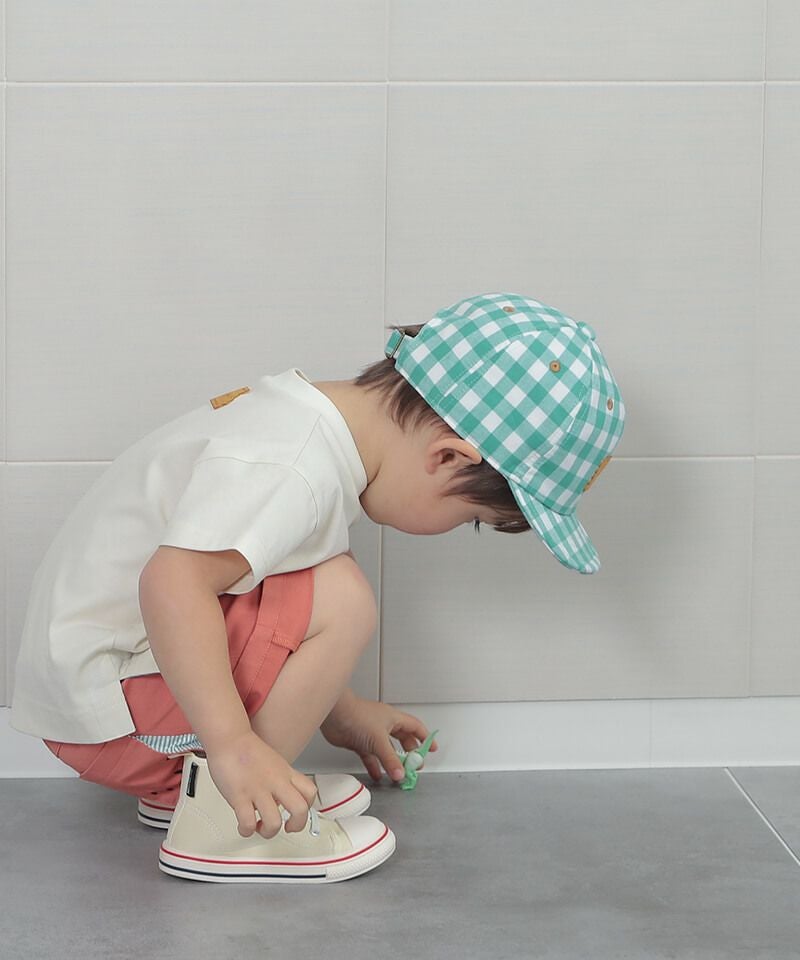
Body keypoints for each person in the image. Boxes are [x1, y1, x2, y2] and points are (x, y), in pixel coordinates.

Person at [9, 291, 626, 883]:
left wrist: (343, 712)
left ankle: (201, 792)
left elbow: (256, 603)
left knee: (318, 581)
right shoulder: (294, 468)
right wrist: (233, 748)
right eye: (471, 518)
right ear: (448, 458)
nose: (456, 529)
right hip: (107, 713)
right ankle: (225, 821)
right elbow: (172, 584)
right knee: (343, 599)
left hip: (101, 686)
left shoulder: (302, 423)